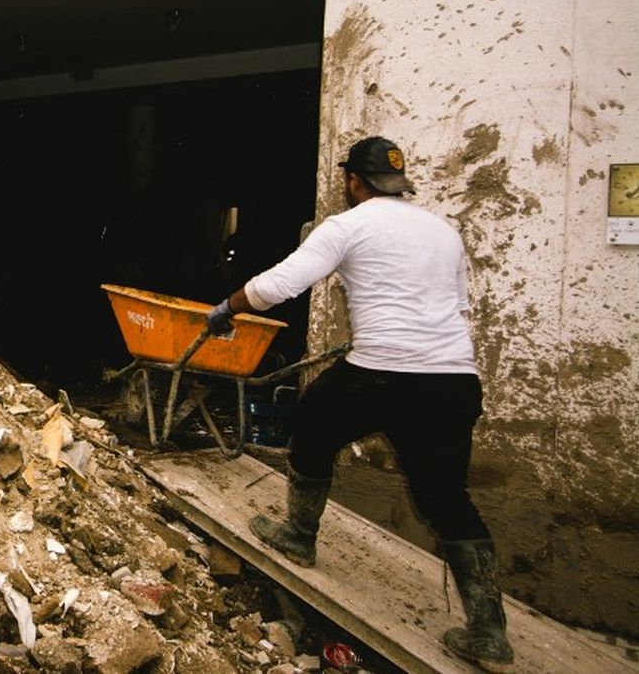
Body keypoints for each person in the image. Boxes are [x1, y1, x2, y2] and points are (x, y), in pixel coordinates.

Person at [204, 136, 514, 672]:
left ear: (353, 181)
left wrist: (227, 307)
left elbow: (283, 283)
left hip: (381, 372)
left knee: (312, 425)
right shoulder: (444, 230)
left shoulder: (347, 225)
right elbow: (458, 304)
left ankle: (300, 536)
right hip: (452, 378)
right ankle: (489, 632)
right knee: (446, 497)